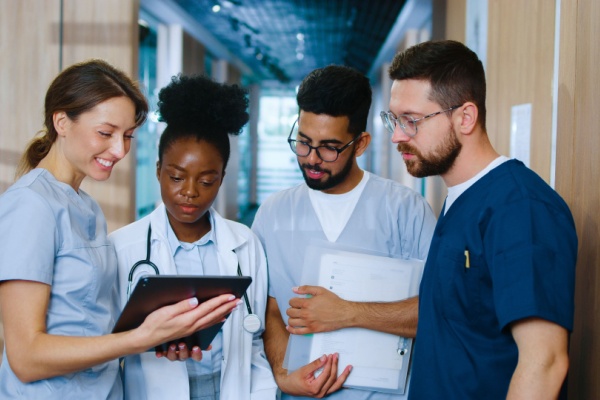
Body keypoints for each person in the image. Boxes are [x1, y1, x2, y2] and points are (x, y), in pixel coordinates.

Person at [0, 60, 240, 399]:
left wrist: (164, 335)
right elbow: (25, 357)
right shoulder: (31, 205)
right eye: (105, 133)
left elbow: (89, 323)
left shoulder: (86, 207)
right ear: (61, 122)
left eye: (127, 136)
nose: (119, 150)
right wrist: (140, 337)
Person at [382, 40, 577, 399]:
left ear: (465, 118)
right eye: (393, 119)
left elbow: (545, 362)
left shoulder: (520, 208)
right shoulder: (459, 198)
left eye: (411, 121)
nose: (397, 136)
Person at [251, 65, 437, 400]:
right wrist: (282, 374)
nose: (311, 158)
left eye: (329, 147)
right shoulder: (274, 214)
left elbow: (440, 310)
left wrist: (349, 312)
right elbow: (270, 310)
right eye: (304, 142)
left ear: (361, 143)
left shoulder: (405, 211)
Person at [109, 74, 277, 400]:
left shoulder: (245, 242)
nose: (189, 192)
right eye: (176, 176)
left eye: (206, 181)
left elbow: (254, 338)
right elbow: (109, 347)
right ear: (158, 170)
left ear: (222, 178)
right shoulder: (122, 248)